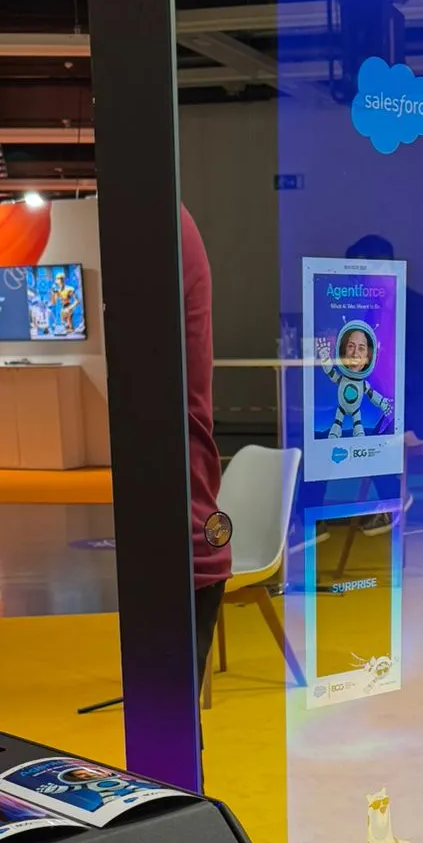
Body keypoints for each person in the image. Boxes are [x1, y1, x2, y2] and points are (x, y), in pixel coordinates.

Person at [180, 205, 230, 687]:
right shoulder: (171, 224)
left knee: (171, 721)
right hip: (185, 543)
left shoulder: (166, 225)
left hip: (188, 547)